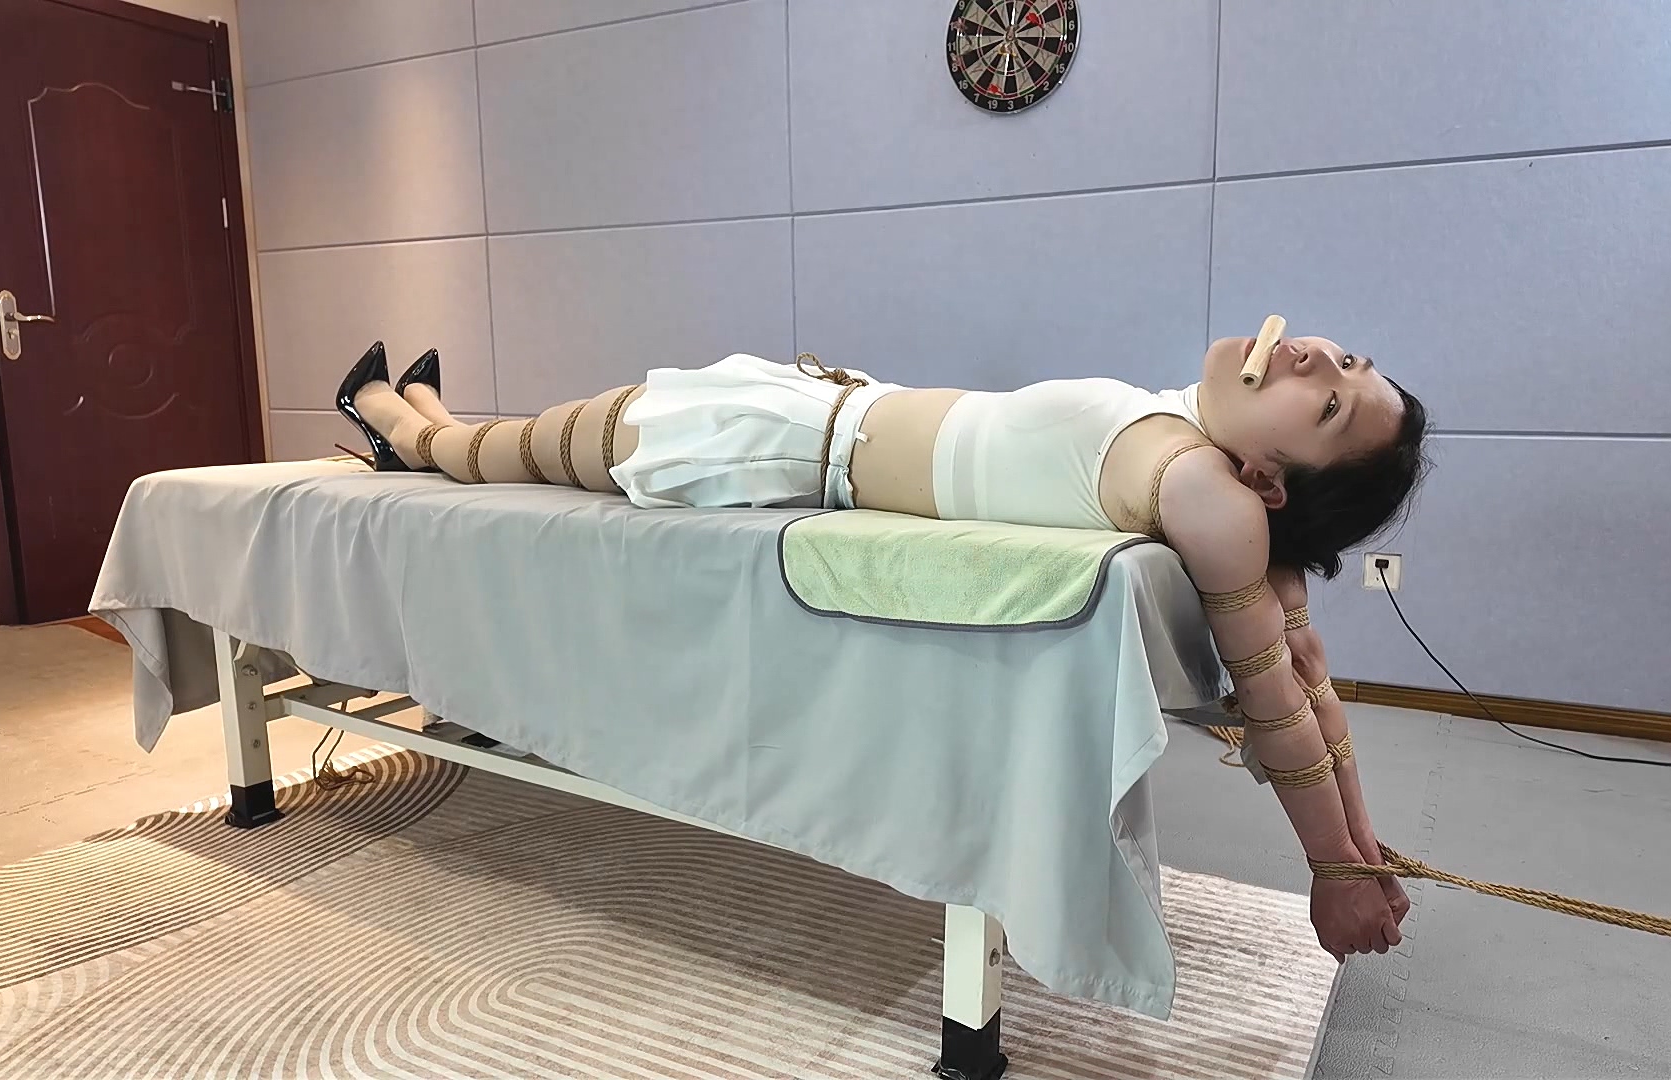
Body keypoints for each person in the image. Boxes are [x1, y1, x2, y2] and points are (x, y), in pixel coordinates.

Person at [335, 330, 1431, 963]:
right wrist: (1357, 849)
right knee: (517, 442)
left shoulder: (1211, 495)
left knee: (503, 453)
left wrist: (1336, 872)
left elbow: (1281, 704)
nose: (1309, 356)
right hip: (816, 402)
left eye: (1327, 404)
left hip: (769, 442)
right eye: (1344, 359)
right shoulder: (1196, 443)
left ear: (1272, 482)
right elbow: (1312, 686)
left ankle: (398, 418)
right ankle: (421, 415)